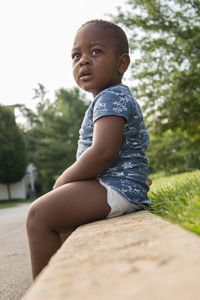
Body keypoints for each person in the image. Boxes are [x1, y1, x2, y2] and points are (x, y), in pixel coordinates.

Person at [26, 19, 152, 280]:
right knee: (62, 224)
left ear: (122, 63)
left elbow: (103, 152)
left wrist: (63, 180)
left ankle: (47, 290)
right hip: (117, 185)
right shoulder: (112, 97)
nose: (83, 61)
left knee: (39, 215)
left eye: (95, 51)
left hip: (114, 186)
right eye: (76, 55)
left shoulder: (111, 96)